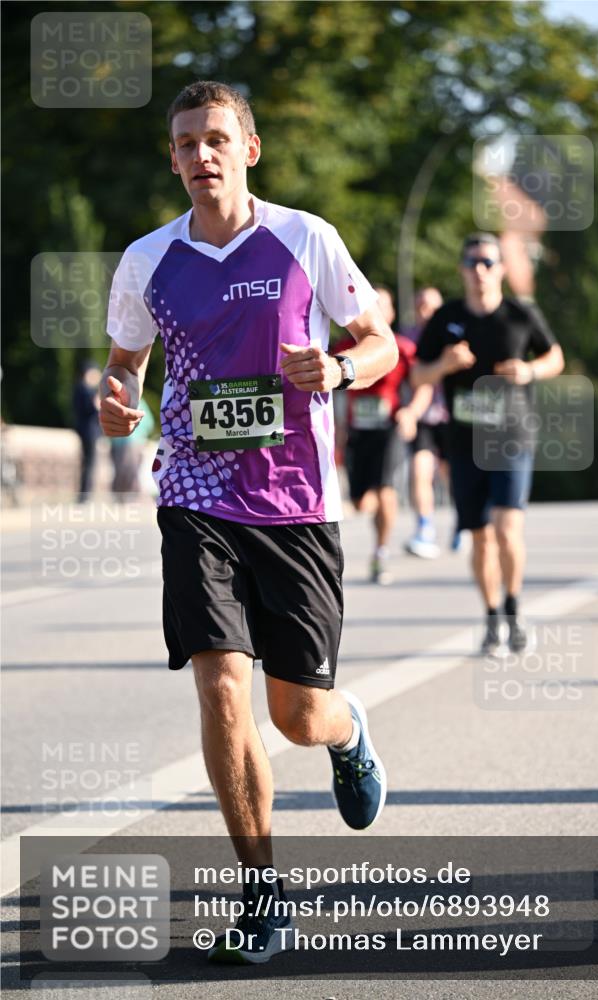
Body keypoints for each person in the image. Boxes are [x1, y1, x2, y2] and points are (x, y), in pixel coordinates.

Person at [99, 81, 397, 964]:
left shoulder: (306, 237)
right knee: (221, 686)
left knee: (297, 714)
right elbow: (123, 365)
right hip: (194, 496)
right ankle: (263, 893)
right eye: (186, 143)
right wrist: (118, 403)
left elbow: (378, 339)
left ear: (248, 149)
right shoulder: (148, 260)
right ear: (174, 157)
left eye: (216, 140)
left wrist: (339, 373)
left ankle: (346, 733)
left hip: (296, 503)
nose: (201, 156)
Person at [412, 233, 564, 655]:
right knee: (479, 537)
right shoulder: (446, 318)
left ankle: (514, 612)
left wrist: (530, 371)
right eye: (472, 262)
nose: (480, 270)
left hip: (513, 437)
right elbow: (417, 376)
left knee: (507, 526)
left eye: (488, 263)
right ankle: (492, 615)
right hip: (464, 443)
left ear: (500, 269)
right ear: (462, 269)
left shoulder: (520, 314)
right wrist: (444, 364)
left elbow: (555, 357)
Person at [337, 287, 432, 584]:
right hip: (357, 430)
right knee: (362, 501)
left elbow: (424, 384)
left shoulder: (402, 348)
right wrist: (337, 427)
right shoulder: (343, 346)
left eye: (383, 305)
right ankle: (373, 504)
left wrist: (411, 412)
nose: (376, 309)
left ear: (390, 314)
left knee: (387, 489)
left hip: (389, 427)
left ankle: (380, 552)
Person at [400, 286, 455, 559]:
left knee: (450, 474)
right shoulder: (408, 339)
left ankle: (463, 521)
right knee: (419, 473)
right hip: (420, 417)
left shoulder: (452, 337)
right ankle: (425, 529)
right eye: (421, 305)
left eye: (431, 306)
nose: (426, 311)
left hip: (449, 416)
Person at [72, 360, 101, 502]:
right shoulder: (86, 390)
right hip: (89, 431)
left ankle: (85, 494)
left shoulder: (79, 388)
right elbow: (93, 408)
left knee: (87, 463)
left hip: (84, 430)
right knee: (90, 463)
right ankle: (86, 494)